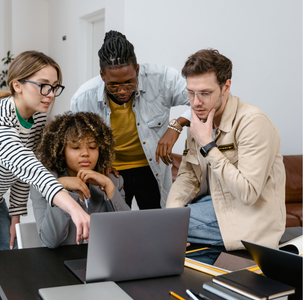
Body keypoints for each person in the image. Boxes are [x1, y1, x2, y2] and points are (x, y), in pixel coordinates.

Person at [0, 51, 90, 300]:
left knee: (17, 262)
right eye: (43, 86)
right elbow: (29, 167)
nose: (50, 95)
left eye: (54, 87)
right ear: (17, 85)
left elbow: (20, 174)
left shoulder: (37, 117)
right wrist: (74, 208)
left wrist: (15, 214)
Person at [166, 49, 286, 251]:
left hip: (248, 217)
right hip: (212, 205)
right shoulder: (199, 118)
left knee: (153, 230)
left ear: (226, 87)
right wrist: (171, 215)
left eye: (205, 93)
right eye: (191, 93)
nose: (195, 103)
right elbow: (188, 176)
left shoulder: (253, 122)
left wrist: (208, 145)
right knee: (162, 224)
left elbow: (248, 194)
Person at [71, 30, 191, 209]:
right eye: (113, 85)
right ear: (102, 76)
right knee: (117, 226)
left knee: (156, 223)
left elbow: (201, 101)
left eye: (129, 82)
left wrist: (176, 125)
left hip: (152, 168)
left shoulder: (163, 78)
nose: (122, 91)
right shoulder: (83, 98)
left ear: (137, 69)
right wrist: (99, 164)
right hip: (113, 171)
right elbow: (77, 141)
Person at [31, 112, 130, 248]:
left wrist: (109, 186)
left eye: (92, 147)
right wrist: (62, 188)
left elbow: (128, 233)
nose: (85, 153)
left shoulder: (113, 180)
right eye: (76, 147)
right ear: (61, 150)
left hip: (103, 262)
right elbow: (50, 241)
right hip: (60, 263)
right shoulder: (44, 182)